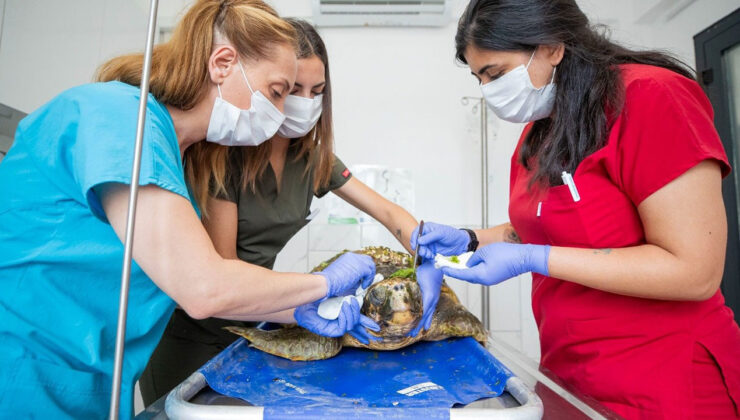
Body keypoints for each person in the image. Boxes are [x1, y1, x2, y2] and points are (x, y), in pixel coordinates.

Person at [0, 1, 378, 418]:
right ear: (222, 62)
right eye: (276, 92)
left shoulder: (178, 158)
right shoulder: (118, 117)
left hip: (93, 385)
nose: (280, 113)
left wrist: (316, 311)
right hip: (22, 376)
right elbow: (203, 288)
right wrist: (324, 286)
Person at [411, 0, 740, 418]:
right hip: (572, 374)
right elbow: (544, 228)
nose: (489, 90)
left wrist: (534, 258)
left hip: (665, 375)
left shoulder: (651, 97)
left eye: (495, 73)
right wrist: (469, 239)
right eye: (480, 78)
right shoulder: (542, 128)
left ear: (552, 46)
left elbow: (696, 271)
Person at [139, 19, 422, 405]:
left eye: (317, 91)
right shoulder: (228, 151)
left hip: (257, 323)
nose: (304, 102)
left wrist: (430, 248)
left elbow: (389, 213)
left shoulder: (311, 158)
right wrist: (316, 298)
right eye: (290, 90)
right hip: (194, 331)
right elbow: (223, 271)